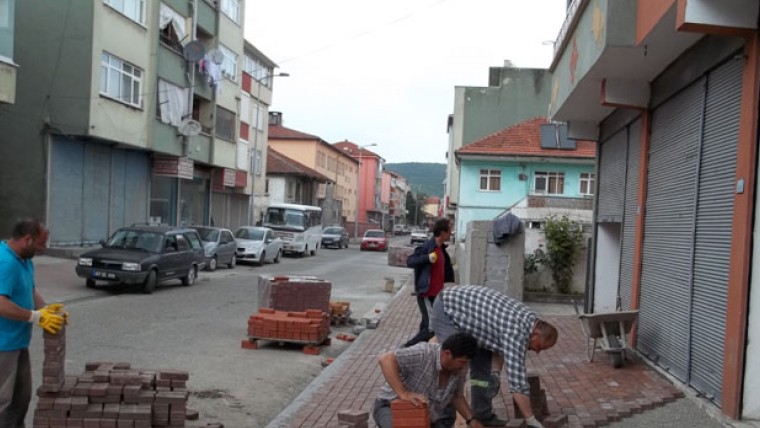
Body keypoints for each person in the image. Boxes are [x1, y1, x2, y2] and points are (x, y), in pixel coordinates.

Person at [431, 285, 558, 428]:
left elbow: (501, 344)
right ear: (535, 334)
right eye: (539, 347)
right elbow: (518, 385)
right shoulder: (516, 333)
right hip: (448, 309)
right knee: (454, 365)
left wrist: (495, 372)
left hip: (474, 321)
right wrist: (531, 420)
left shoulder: (530, 320)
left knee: (483, 372)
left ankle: (482, 415)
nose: (536, 351)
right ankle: (443, 419)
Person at [0, 219, 67, 427]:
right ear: (27, 240)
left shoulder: (24, 260)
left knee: (21, 399)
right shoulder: (6, 262)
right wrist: (35, 317)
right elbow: (1, 303)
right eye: (41, 244)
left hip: (18, 343)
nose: (43, 249)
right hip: (2, 346)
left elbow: (30, 290)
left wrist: (46, 309)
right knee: (3, 401)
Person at [372, 332, 485, 428]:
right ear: (447, 354)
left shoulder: (459, 368)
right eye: (462, 362)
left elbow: (456, 396)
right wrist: (404, 393)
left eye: (466, 362)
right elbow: (386, 359)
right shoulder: (423, 353)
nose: (464, 367)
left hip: (427, 416)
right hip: (390, 407)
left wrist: (471, 420)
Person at [403, 218, 454, 348]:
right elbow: (410, 261)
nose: (451, 234)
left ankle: (416, 352)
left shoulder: (441, 248)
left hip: (436, 296)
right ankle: (406, 349)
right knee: (431, 327)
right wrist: (427, 258)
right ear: (442, 232)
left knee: (426, 325)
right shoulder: (427, 247)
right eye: (449, 231)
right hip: (426, 293)